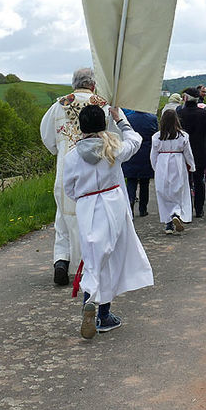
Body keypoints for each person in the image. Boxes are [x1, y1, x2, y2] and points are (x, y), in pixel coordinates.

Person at [62, 104, 154, 339]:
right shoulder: (113, 149)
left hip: (87, 207)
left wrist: (84, 199)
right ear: (103, 125)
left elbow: (69, 188)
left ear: (80, 126)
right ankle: (103, 315)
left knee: (93, 258)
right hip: (113, 204)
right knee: (111, 258)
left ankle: (89, 300)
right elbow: (135, 140)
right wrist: (121, 118)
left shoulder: (71, 157)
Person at [40, 67, 113, 287]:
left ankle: (61, 262)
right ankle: (89, 265)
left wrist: (60, 149)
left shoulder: (59, 106)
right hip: (95, 171)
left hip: (66, 168)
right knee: (92, 220)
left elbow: (47, 136)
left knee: (63, 218)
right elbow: (114, 137)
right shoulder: (102, 104)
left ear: (74, 84)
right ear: (93, 84)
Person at [150, 107, 195, 234]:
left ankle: (168, 223)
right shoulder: (183, 136)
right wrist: (191, 165)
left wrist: (155, 167)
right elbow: (188, 153)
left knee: (164, 192)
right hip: (178, 162)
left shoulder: (157, 137)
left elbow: (153, 155)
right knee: (179, 190)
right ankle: (177, 212)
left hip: (162, 163)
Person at [178, 88, 206, 217]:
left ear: (186, 98)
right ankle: (199, 209)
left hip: (183, 152)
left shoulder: (180, 113)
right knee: (199, 180)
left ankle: (187, 208)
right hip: (200, 150)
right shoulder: (204, 114)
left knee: (185, 181)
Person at [121, 109, 158, 216]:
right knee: (144, 182)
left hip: (132, 152)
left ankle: (130, 203)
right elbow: (155, 134)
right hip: (146, 151)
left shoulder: (129, 118)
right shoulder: (152, 118)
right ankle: (143, 208)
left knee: (131, 180)